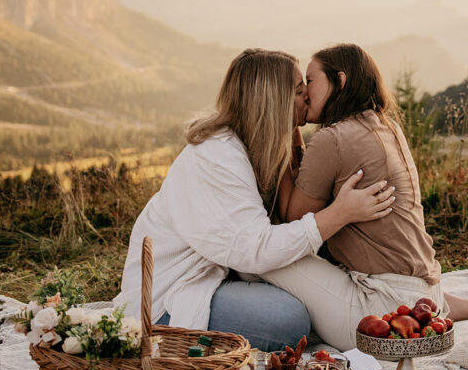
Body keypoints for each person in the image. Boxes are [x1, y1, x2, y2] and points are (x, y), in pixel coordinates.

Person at [113, 49, 395, 352]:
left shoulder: (255, 145)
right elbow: (255, 249)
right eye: (299, 91)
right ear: (273, 102)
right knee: (286, 319)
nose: (307, 98)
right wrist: (340, 213)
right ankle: (174, 335)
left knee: (306, 287)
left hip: (223, 272)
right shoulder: (216, 156)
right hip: (174, 294)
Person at [261, 44, 468, 350]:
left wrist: (282, 127)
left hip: (380, 313)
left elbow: (294, 221)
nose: (306, 92)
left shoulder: (332, 139)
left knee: (261, 253)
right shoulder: (387, 127)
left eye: (311, 80)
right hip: (423, 295)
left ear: (341, 81)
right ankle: (443, 303)